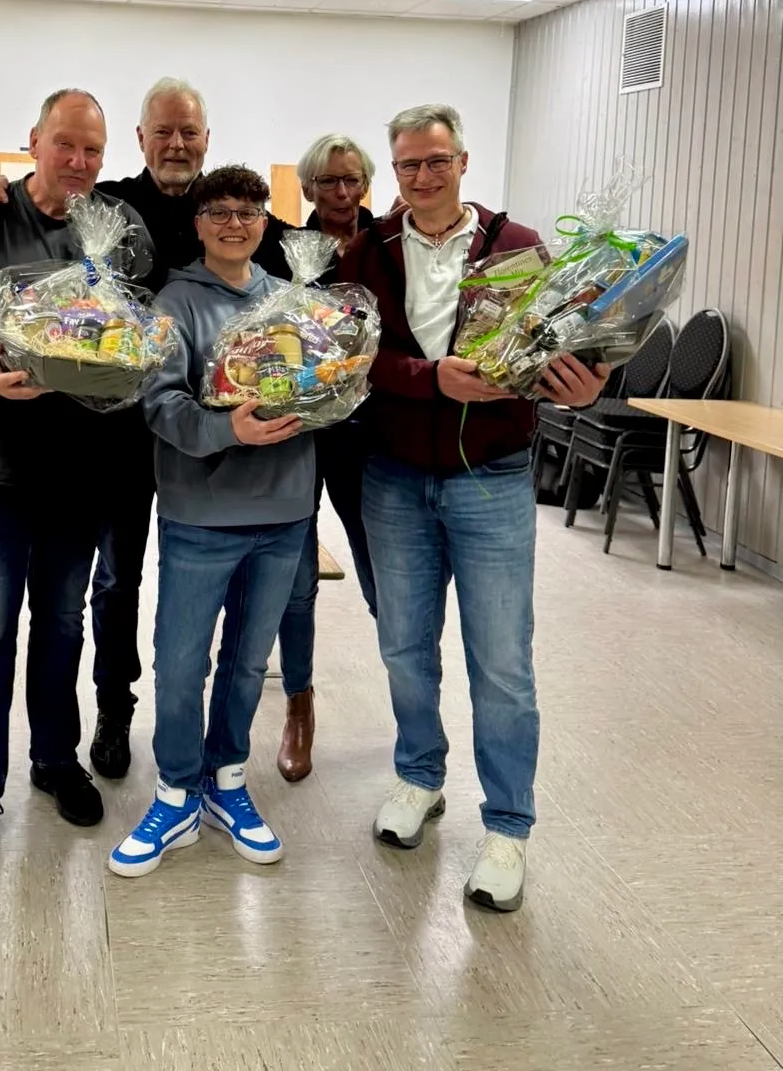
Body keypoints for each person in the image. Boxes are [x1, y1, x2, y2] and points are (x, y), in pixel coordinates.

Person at [0, 78, 288, 782]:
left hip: (210, 442)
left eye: (190, 133)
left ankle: (247, 713)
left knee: (195, 581)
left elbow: (293, 261)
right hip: (110, 440)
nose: (177, 144)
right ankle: (115, 708)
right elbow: (42, 200)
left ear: (207, 139)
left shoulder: (231, 212)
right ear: (141, 140)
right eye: (163, 132)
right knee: (114, 582)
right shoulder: (104, 206)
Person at [340, 104, 607, 912]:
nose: (423, 177)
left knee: (501, 662)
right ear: (394, 173)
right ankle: (420, 779)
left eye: (437, 161)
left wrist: (592, 380)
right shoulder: (371, 249)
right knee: (404, 648)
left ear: (464, 162)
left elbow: (571, 343)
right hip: (392, 479)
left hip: (490, 477)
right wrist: (428, 380)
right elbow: (350, 353)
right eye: (408, 165)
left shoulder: (518, 247)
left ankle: (508, 827)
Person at [0, 89, 151, 871]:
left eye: (93, 149)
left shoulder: (113, 230)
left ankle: (55, 761)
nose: (80, 163)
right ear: (33, 143)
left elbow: (136, 319)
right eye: (66, 146)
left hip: (81, 465)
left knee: (61, 623)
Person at [108, 166, 313, 878]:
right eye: (219, 211)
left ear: (266, 221)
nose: (235, 222)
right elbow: (160, 407)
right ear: (197, 224)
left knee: (250, 662)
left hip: (285, 510)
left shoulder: (296, 304)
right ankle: (173, 794)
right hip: (201, 516)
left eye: (249, 210)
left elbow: (324, 392)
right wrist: (232, 431)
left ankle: (227, 781)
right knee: (181, 663)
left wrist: (336, 383)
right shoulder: (175, 303)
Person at [274, 134, 377, 785]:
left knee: (385, 569)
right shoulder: (282, 249)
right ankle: (299, 705)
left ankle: (414, 707)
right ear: (308, 188)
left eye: (352, 180)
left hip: (373, 435)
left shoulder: (391, 244)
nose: (342, 193)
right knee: (296, 577)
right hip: (302, 431)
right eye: (328, 182)